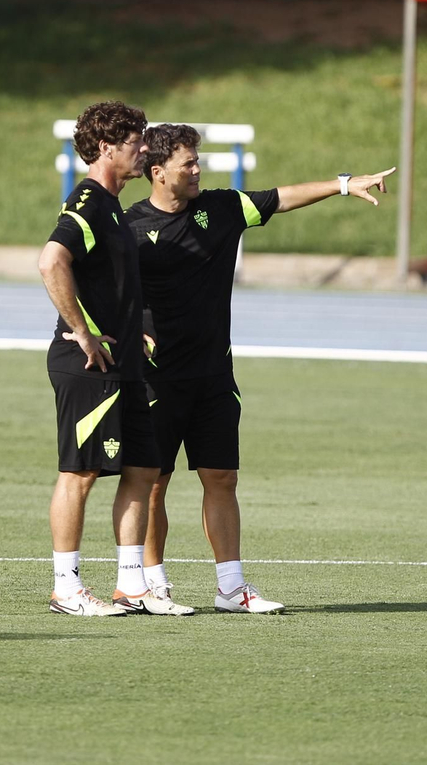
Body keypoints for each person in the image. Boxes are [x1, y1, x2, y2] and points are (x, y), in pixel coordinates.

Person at [126, 123, 395, 614]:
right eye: (188, 163)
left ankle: (231, 588)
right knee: (153, 482)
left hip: (213, 375)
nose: (197, 169)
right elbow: (97, 285)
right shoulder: (129, 227)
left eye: (197, 161)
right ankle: (152, 585)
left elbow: (280, 198)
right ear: (158, 171)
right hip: (155, 377)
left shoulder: (221, 208)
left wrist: (342, 184)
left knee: (222, 478)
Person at [37, 101, 193, 617]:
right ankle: (66, 588)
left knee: (144, 467)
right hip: (88, 366)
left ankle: (132, 585)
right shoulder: (86, 199)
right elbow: (50, 260)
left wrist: (136, 329)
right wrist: (81, 331)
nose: (144, 149)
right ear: (106, 148)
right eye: (135, 142)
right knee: (80, 474)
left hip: (125, 365)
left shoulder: (111, 206)